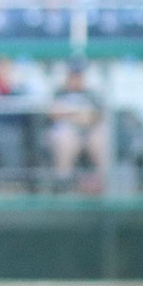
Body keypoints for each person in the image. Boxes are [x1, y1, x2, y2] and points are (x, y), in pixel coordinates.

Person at [48, 58, 107, 193]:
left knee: (99, 138)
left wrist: (71, 114)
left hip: (89, 132)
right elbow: (53, 113)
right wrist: (77, 115)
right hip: (67, 133)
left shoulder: (91, 94)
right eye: (73, 75)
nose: (75, 79)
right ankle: (62, 185)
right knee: (65, 138)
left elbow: (94, 117)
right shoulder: (58, 92)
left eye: (78, 75)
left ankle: (104, 182)